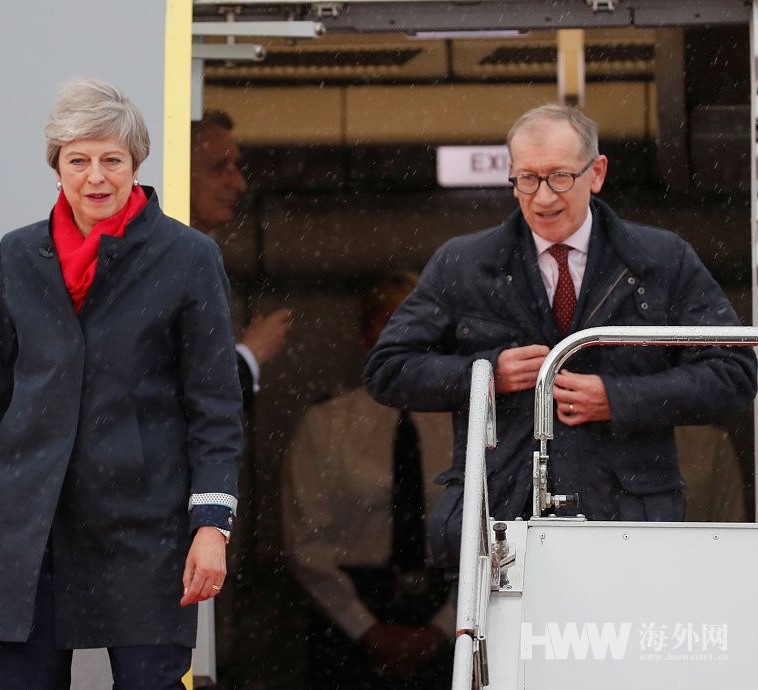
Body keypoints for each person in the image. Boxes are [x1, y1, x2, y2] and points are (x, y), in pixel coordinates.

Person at [0, 77, 242, 690]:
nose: (96, 177)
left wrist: (212, 527)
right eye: (79, 161)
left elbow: (214, 407)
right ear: (57, 167)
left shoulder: (187, 256)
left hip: (144, 527)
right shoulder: (18, 254)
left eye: (113, 160)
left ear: (136, 165)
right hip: (29, 526)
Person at [363, 103, 757, 567]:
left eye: (560, 177)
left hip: (629, 528)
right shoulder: (462, 263)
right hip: (502, 528)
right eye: (527, 179)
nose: (543, 197)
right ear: (511, 176)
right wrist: (487, 374)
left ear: (597, 173)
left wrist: (618, 398)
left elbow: (736, 370)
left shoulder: (662, 258)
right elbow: (388, 369)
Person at [283, 272, 454, 689]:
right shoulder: (327, 423)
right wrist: (365, 628)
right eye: (389, 321)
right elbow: (306, 541)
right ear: (366, 335)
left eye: (418, 322)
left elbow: (491, 531)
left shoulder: (464, 422)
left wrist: (444, 628)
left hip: (447, 605)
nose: (404, 334)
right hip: (347, 612)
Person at [190, 109, 292, 410]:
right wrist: (250, 354)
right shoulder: (155, 262)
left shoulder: (197, 258)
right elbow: (185, 399)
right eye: (218, 167)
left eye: (235, 167)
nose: (239, 183)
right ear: (176, 168)